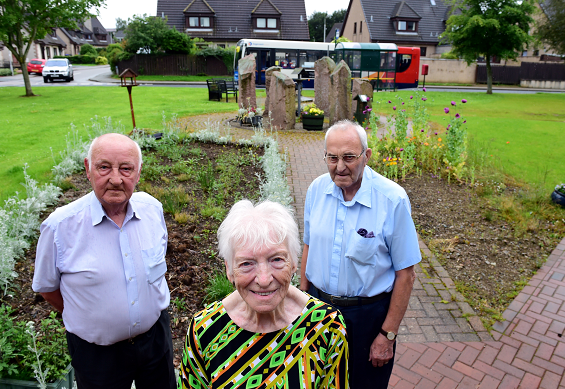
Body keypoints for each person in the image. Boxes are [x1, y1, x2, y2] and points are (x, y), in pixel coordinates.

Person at [32, 133, 176, 389]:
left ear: (138, 172)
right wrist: (89, 315)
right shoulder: (59, 227)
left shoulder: (152, 210)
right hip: (97, 355)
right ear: (88, 169)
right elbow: (47, 288)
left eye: (126, 169)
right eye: (104, 167)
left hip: (156, 342)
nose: (116, 179)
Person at [299, 120, 421, 389]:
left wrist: (387, 335)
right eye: (332, 158)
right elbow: (309, 246)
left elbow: (406, 275)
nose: (339, 166)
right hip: (318, 311)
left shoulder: (392, 200)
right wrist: (300, 304)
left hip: (367, 318)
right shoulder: (316, 191)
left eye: (349, 157)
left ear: (366, 156)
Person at [179, 200, 348, 389]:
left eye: (276, 259)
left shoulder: (326, 325)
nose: (264, 279)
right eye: (247, 263)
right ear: (229, 270)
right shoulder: (204, 330)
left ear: (293, 262)